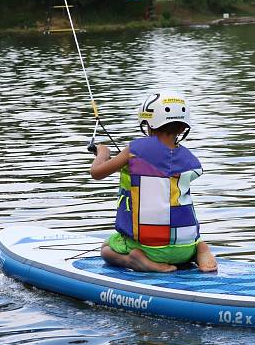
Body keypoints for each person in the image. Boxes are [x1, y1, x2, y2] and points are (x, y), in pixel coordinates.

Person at [90, 91, 218, 273]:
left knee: (106, 249)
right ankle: (201, 248)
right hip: (184, 248)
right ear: (183, 129)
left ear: (148, 124)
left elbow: (96, 173)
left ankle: (135, 260)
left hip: (148, 248)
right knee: (190, 240)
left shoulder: (134, 150)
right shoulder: (190, 159)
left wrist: (102, 153)